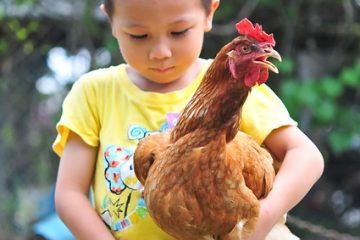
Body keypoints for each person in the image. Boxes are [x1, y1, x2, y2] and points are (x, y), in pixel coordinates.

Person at [53, 0, 324, 239]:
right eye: (138, 35)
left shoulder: (238, 85)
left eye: (178, 32)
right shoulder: (94, 92)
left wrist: (262, 220)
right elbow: (69, 194)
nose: (161, 51)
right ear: (111, 20)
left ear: (209, 13)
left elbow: (306, 156)